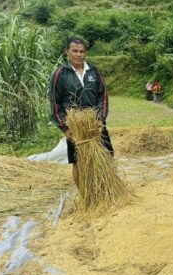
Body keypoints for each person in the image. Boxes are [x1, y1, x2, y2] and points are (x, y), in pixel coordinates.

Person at [49, 37, 114, 188]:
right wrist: (65, 128)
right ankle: (85, 195)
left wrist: (100, 119)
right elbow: (55, 102)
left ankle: (106, 189)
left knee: (107, 155)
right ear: (67, 52)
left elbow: (103, 96)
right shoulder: (60, 73)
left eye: (82, 51)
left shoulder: (94, 71)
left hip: (95, 124)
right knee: (78, 162)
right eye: (75, 51)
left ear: (86, 53)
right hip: (75, 127)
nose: (78, 55)